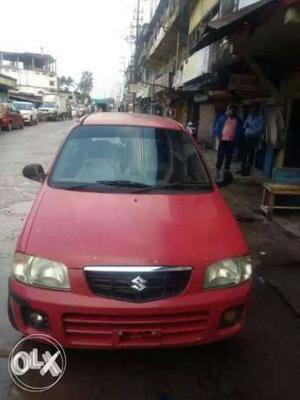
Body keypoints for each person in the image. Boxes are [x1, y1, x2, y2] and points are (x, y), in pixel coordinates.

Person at [214, 105, 243, 180]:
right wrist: (218, 135)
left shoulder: (238, 120)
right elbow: (217, 127)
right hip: (223, 140)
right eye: (231, 111)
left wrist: (236, 137)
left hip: (231, 141)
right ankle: (217, 169)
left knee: (229, 156)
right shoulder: (223, 118)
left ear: (236, 112)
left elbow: (240, 130)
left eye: (234, 111)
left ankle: (226, 170)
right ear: (228, 111)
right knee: (220, 155)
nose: (232, 113)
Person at [238, 103, 265, 175]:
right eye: (252, 109)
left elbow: (259, 130)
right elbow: (244, 125)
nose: (253, 110)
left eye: (254, 109)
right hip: (246, 137)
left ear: (257, 110)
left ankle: (247, 171)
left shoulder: (260, 118)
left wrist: (250, 130)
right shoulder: (249, 116)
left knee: (250, 155)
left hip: (253, 138)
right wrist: (246, 126)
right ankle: (242, 169)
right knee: (244, 154)